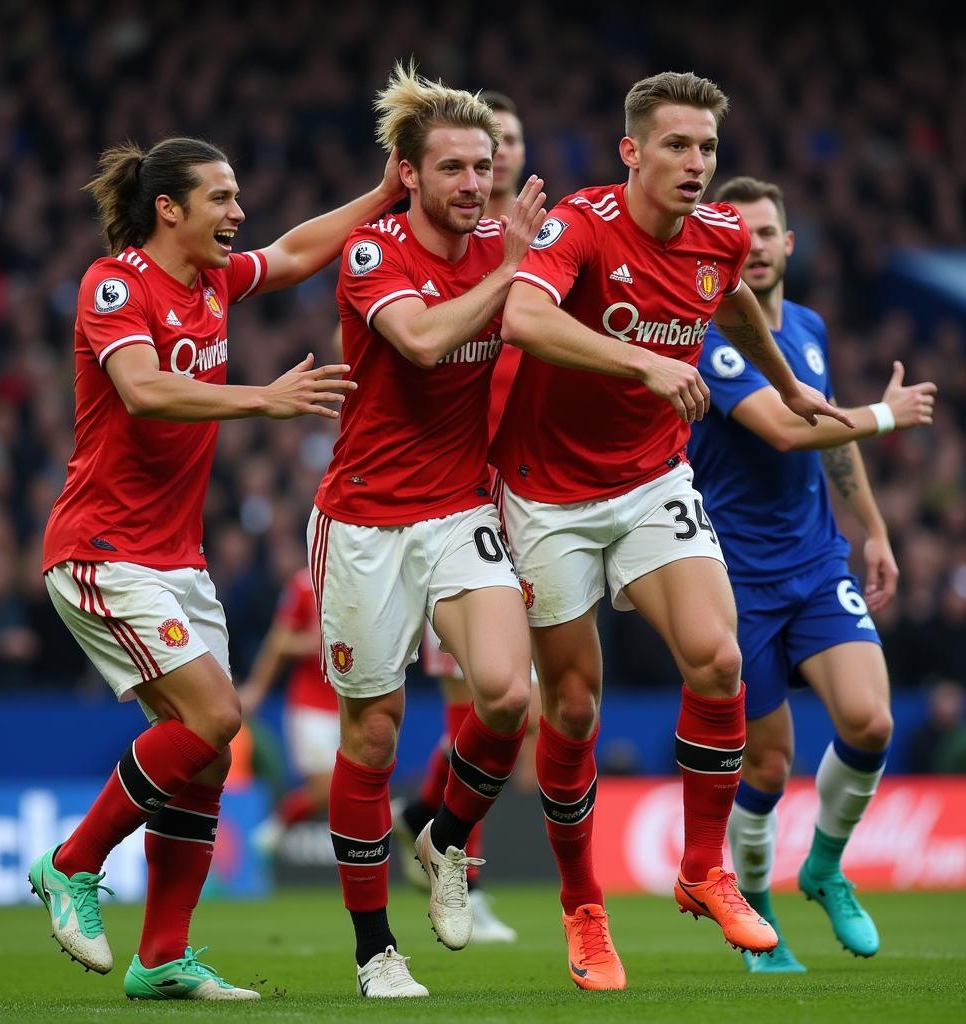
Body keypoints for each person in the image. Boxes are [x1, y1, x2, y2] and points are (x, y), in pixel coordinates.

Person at [493, 71, 855, 990]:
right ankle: (583, 906)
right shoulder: (581, 223)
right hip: (548, 495)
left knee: (719, 659)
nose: (696, 164)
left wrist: (783, 382)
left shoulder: (722, 236)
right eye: (677, 146)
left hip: (653, 478)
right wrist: (645, 365)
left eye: (707, 149)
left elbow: (732, 300)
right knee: (573, 709)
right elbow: (525, 316)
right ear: (632, 152)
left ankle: (702, 869)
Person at [28, 135, 404, 1001]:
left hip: (177, 558)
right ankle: (71, 863)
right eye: (222, 199)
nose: (239, 214)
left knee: (202, 759)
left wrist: (382, 193)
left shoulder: (213, 283)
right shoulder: (115, 283)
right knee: (213, 718)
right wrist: (263, 398)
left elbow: (301, 250)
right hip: (104, 548)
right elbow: (145, 390)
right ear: (170, 208)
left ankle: (161, 959)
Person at [311, 62, 546, 998]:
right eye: (452, 166)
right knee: (372, 734)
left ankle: (444, 835)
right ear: (409, 174)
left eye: (483, 165)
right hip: (366, 518)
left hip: (458, 508)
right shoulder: (374, 252)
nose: (473, 183)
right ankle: (375, 951)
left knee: (506, 696)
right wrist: (516, 270)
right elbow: (419, 341)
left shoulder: (504, 240)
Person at [688, 175, 937, 972]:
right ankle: (758, 910)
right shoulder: (706, 331)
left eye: (767, 232)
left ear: (788, 244)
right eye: (739, 234)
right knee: (766, 764)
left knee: (870, 722)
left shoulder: (809, 327)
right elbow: (791, 432)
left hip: (815, 560)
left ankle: (824, 867)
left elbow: (831, 437)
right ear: (720, 247)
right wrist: (891, 413)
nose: (754, 246)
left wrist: (873, 531)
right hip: (735, 579)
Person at [391, 89, 533, 946]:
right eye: (481, 153)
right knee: (483, 693)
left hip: (528, 500)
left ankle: (431, 818)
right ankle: (456, 868)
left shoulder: (532, 251)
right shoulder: (441, 256)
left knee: (523, 705)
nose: (494, 164)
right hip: (449, 502)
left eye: (503, 150)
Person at [238, 564, 337, 856]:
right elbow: (279, 640)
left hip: (357, 702)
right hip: (313, 706)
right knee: (324, 790)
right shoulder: (305, 584)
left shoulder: (370, 575)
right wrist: (256, 688)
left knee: (357, 786)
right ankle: (277, 827)